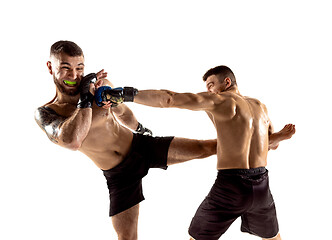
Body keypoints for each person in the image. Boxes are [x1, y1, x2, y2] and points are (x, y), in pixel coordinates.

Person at [34, 40, 219, 240]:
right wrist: (85, 98)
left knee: (206, 147)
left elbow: (124, 114)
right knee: (128, 239)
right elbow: (72, 140)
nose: (74, 76)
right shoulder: (47, 112)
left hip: (141, 147)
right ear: (50, 67)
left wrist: (139, 127)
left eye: (79, 68)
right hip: (119, 176)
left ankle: (253, 148)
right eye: (65, 68)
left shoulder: (100, 88)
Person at [101, 65, 295, 239]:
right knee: (273, 238)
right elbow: (270, 145)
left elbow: (169, 99)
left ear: (227, 82)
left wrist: (124, 95)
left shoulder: (219, 100)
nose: (208, 90)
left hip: (232, 185)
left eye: (211, 84)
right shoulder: (260, 106)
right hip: (262, 185)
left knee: (198, 237)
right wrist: (280, 136)